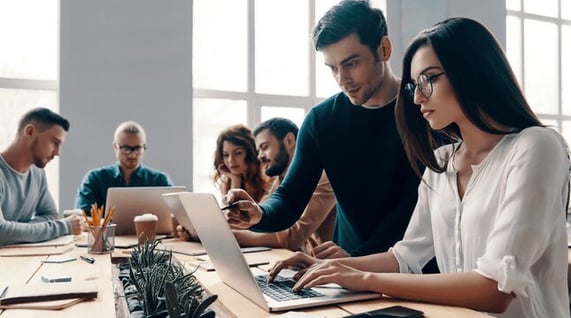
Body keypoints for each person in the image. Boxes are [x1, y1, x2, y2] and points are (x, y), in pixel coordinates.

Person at [266, 17, 570, 318]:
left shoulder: (536, 146)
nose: (418, 96)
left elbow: (494, 290)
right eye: (414, 84)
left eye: (430, 79)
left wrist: (361, 279)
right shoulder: (441, 161)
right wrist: (332, 267)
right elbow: (406, 256)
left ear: (472, 72)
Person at [225, 0, 425, 260]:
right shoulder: (322, 120)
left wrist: (359, 260)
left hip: (412, 271)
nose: (342, 80)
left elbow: (418, 208)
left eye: (351, 63)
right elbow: (289, 197)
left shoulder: (423, 110)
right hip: (343, 268)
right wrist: (259, 213)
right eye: (333, 68)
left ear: (384, 49)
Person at [232, 118, 338, 255]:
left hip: (328, 266)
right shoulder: (279, 181)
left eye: (264, 147)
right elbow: (258, 222)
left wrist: (225, 236)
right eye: (258, 151)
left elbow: (292, 237)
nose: (260, 156)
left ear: (289, 140)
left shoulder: (322, 177)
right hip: (302, 262)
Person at [0, 108, 82, 245]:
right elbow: (2, 232)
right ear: (30, 132)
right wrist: (64, 226)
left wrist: (17, 230)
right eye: (54, 142)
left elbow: (50, 215)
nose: (57, 153)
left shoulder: (38, 173)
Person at [74, 121, 173, 214]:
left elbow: (176, 216)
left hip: (150, 232)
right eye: (126, 148)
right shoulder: (95, 179)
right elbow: (82, 217)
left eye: (137, 148)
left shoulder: (160, 181)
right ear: (115, 147)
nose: (132, 155)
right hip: (105, 233)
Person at [212, 124, 268, 203]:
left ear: (251, 153)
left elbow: (258, 214)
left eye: (238, 153)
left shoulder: (268, 179)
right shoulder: (228, 181)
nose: (231, 160)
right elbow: (230, 213)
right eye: (226, 155)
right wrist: (235, 179)